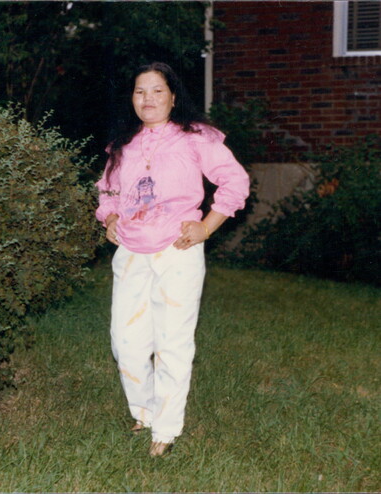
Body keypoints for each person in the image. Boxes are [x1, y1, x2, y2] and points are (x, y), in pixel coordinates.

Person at [95, 62, 250, 457]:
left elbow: (235, 181)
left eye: (157, 90)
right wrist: (109, 217)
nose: (147, 99)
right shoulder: (123, 144)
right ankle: (144, 411)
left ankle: (165, 428)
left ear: (173, 96)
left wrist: (207, 227)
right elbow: (108, 191)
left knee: (172, 342)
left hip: (177, 251)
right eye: (140, 91)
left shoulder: (195, 138)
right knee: (126, 343)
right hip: (131, 251)